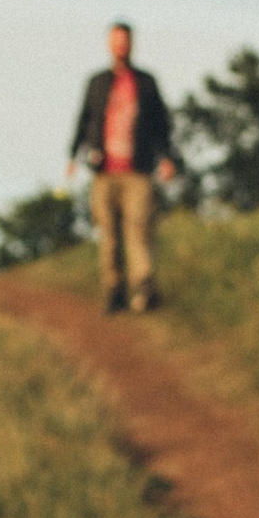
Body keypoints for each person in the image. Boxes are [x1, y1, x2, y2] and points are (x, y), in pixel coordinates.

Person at [69, 20, 178, 314]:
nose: (120, 46)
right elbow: (84, 119)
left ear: (131, 44)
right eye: (115, 41)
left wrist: (167, 157)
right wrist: (72, 157)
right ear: (109, 44)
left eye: (124, 41)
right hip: (104, 172)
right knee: (110, 236)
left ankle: (144, 288)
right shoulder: (97, 82)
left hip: (138, 171)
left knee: (139, 229)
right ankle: (115, 292)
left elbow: (161, 124)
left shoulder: (145, 82)